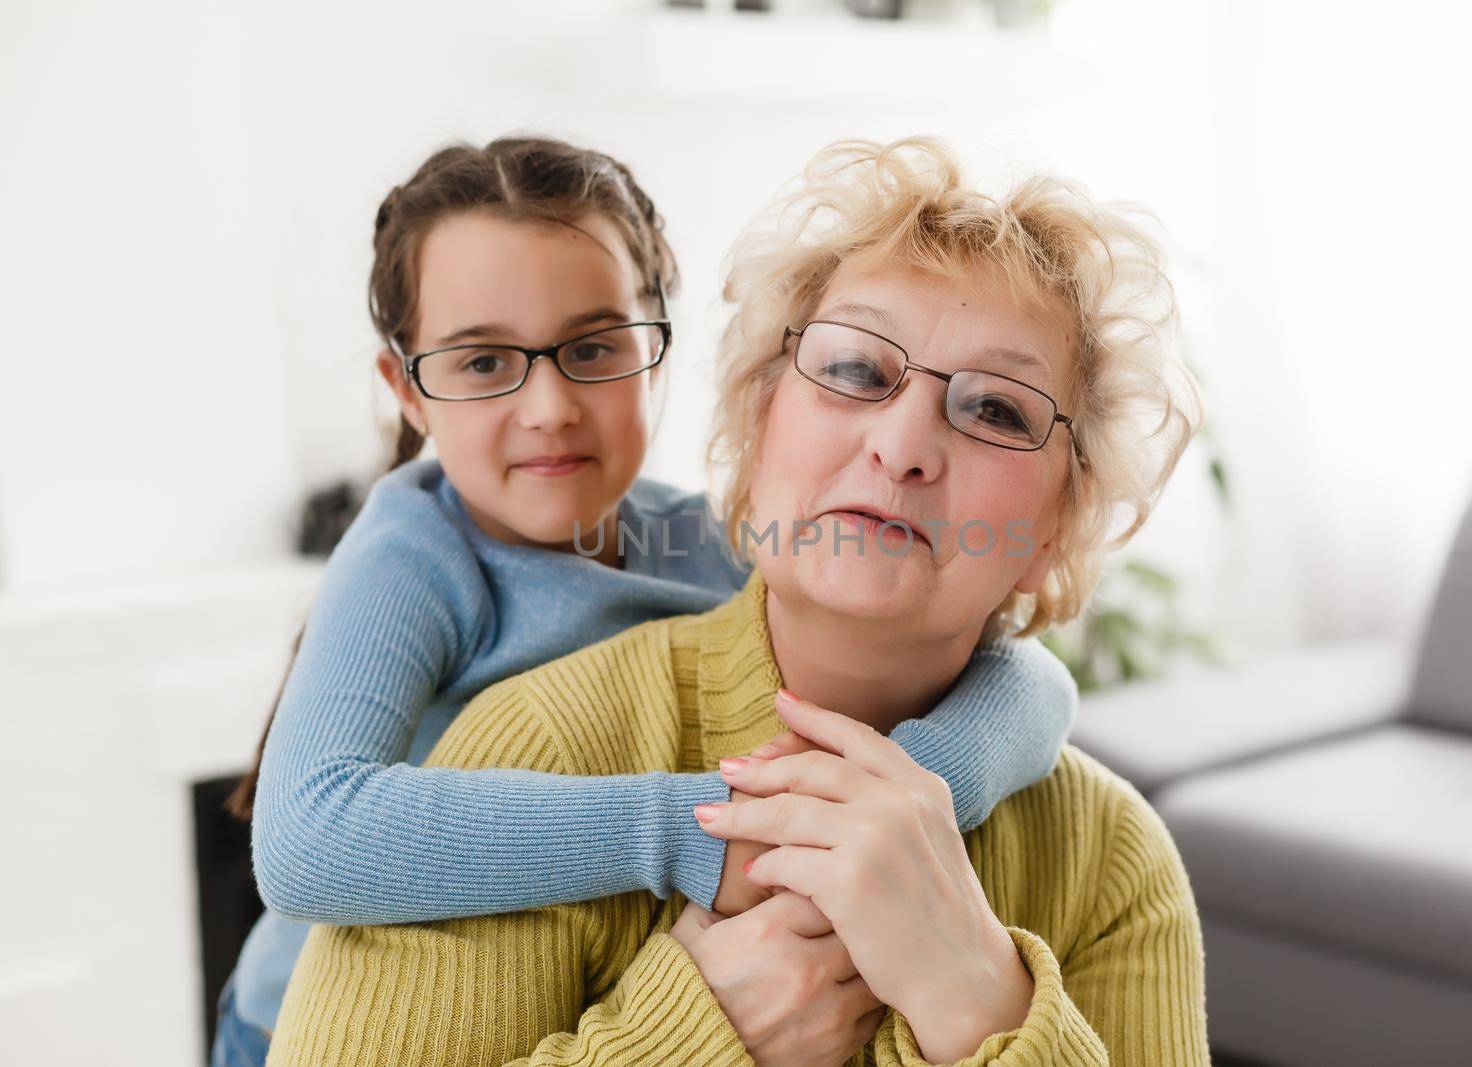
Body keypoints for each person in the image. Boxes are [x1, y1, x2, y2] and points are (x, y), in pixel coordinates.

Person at [264, 136, 1209, 1066]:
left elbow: (1031, 681)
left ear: (1058, 527)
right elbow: (307, 835)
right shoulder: (452, 624)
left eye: (996, 408)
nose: (903, 444)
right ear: (758, 429)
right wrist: (691, 1027)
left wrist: (969, 974)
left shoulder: (1112, 857)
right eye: (853, 370)